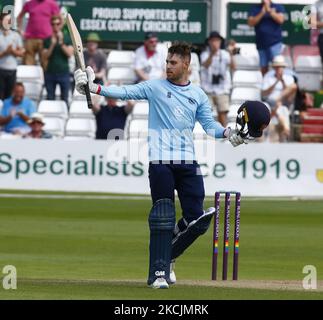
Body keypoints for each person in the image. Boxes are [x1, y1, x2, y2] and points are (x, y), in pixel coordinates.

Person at [74, 42, 269, 289]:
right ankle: (158, 273)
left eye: (173, 62)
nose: (168, 66)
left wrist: (229, 132)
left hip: (187, 161)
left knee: (197, 219)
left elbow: (209, 126)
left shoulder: (197, 94)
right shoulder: (155, 87)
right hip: (160, 161)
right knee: (162, 215)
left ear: (186, 65)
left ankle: (169, 255)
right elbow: (125, 93)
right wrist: (94, 87)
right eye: (167, 62)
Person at [201, 31, 236, 127]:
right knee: (206, 113)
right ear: (209, 42)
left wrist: (231, 53)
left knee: (223, 112)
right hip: (208, 88)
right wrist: (212, 54)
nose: (214, 43)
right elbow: (206, 65)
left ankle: (224, 134)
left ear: (220, 42)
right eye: (212, 41)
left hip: (222, 87)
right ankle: (209, 134)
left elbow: (234, 67)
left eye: (217, 41)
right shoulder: (205, 54)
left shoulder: (225, 54)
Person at [262, 55, 297, 142]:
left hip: (283, 102)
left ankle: (277, 105)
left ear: (283, 68)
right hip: (270, 102)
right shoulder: (268, 77)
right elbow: (263, 93)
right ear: (274, 68)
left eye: (280, 67)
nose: (279, 69)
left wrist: (282, 81)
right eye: (277, 67)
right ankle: (286, 128)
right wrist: (276, 81)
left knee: (282, 106)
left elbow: (289, 98)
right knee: (281, 109)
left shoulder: (289, 79)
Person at [42, 15, 74, 106]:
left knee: (65, 99)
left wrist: (61, 43)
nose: (55, 26)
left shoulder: (67, 38)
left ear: (61, 25)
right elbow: (45, 56)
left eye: (57, 24)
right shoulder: (47, 40)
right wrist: (52, 45)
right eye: (53, 24)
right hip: (50, 72)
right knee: (50, 98)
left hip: (64, 72)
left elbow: (69, 54)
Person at [17, 0, 60, 66]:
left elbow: (59, 19)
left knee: (45, 64)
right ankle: (29, 76)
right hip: (30, 38)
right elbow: (19, 17)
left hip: (46, 38)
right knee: (27, 64)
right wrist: (20, 30)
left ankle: (45, 76)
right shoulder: (29, 3)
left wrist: (56, 31)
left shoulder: (52, 4)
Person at [248, 0, 285, 75]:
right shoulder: (255, 8)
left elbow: (281, 20)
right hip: (261, 43)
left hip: (275, 43)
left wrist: (270, 11)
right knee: (263, 67)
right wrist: (262, 12)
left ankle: (278, 83)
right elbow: (250, 23)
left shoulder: (277, 7)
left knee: (277, 65)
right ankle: (265, 84)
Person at [0, 13, 25, 100]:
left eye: (10, 21)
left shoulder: (16, 36)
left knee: (9, 97)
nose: (8, 22)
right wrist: (5, 52)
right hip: (0, 69)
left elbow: (22, 53)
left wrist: (13, 51)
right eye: (6, 20)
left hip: (12, 70)